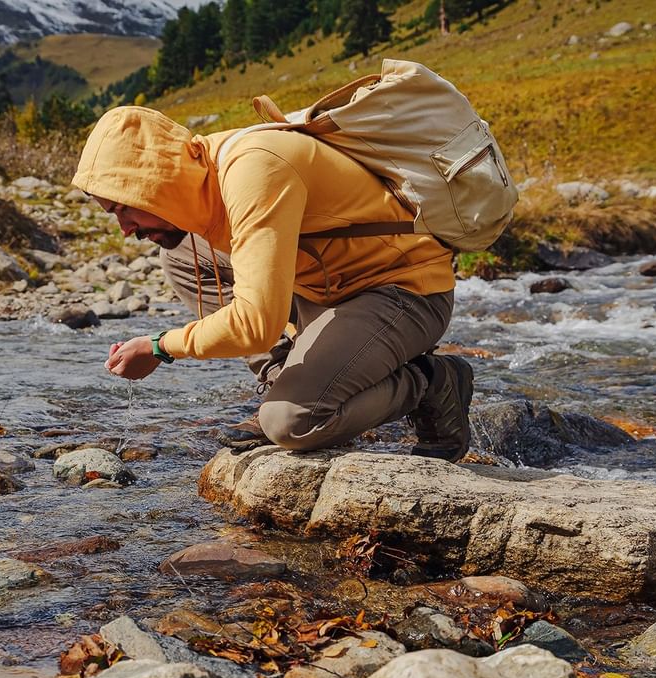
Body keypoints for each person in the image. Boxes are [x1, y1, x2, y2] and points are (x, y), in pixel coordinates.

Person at [71, 106, 474, 460]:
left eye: (124, 208)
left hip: (403, 292)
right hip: (329, 287)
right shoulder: (202, 171)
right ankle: (284, 375)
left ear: (156, 182)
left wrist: (160, 347)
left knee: (289, 423)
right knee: (177, 255)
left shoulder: (253, 169)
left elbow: (255, 324)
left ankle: (431, 382)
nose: (125, 229)